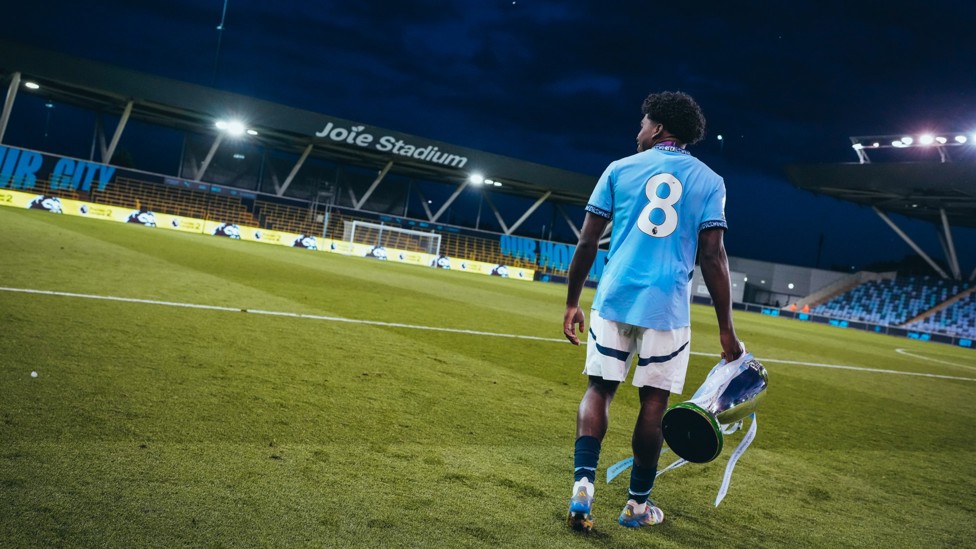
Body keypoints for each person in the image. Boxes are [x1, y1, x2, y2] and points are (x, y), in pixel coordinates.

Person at [563, 91, 742, 532]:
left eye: (643, 123)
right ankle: (637, 505)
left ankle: (583, 484)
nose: (638, 130)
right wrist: (726, 329)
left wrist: (571, 301)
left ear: (659, 127)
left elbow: (587, 241)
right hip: (667, 305)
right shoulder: (711, 181)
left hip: (615, 296)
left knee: (599, 389)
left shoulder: (618, 168)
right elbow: (713, 256)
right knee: (655, 402)